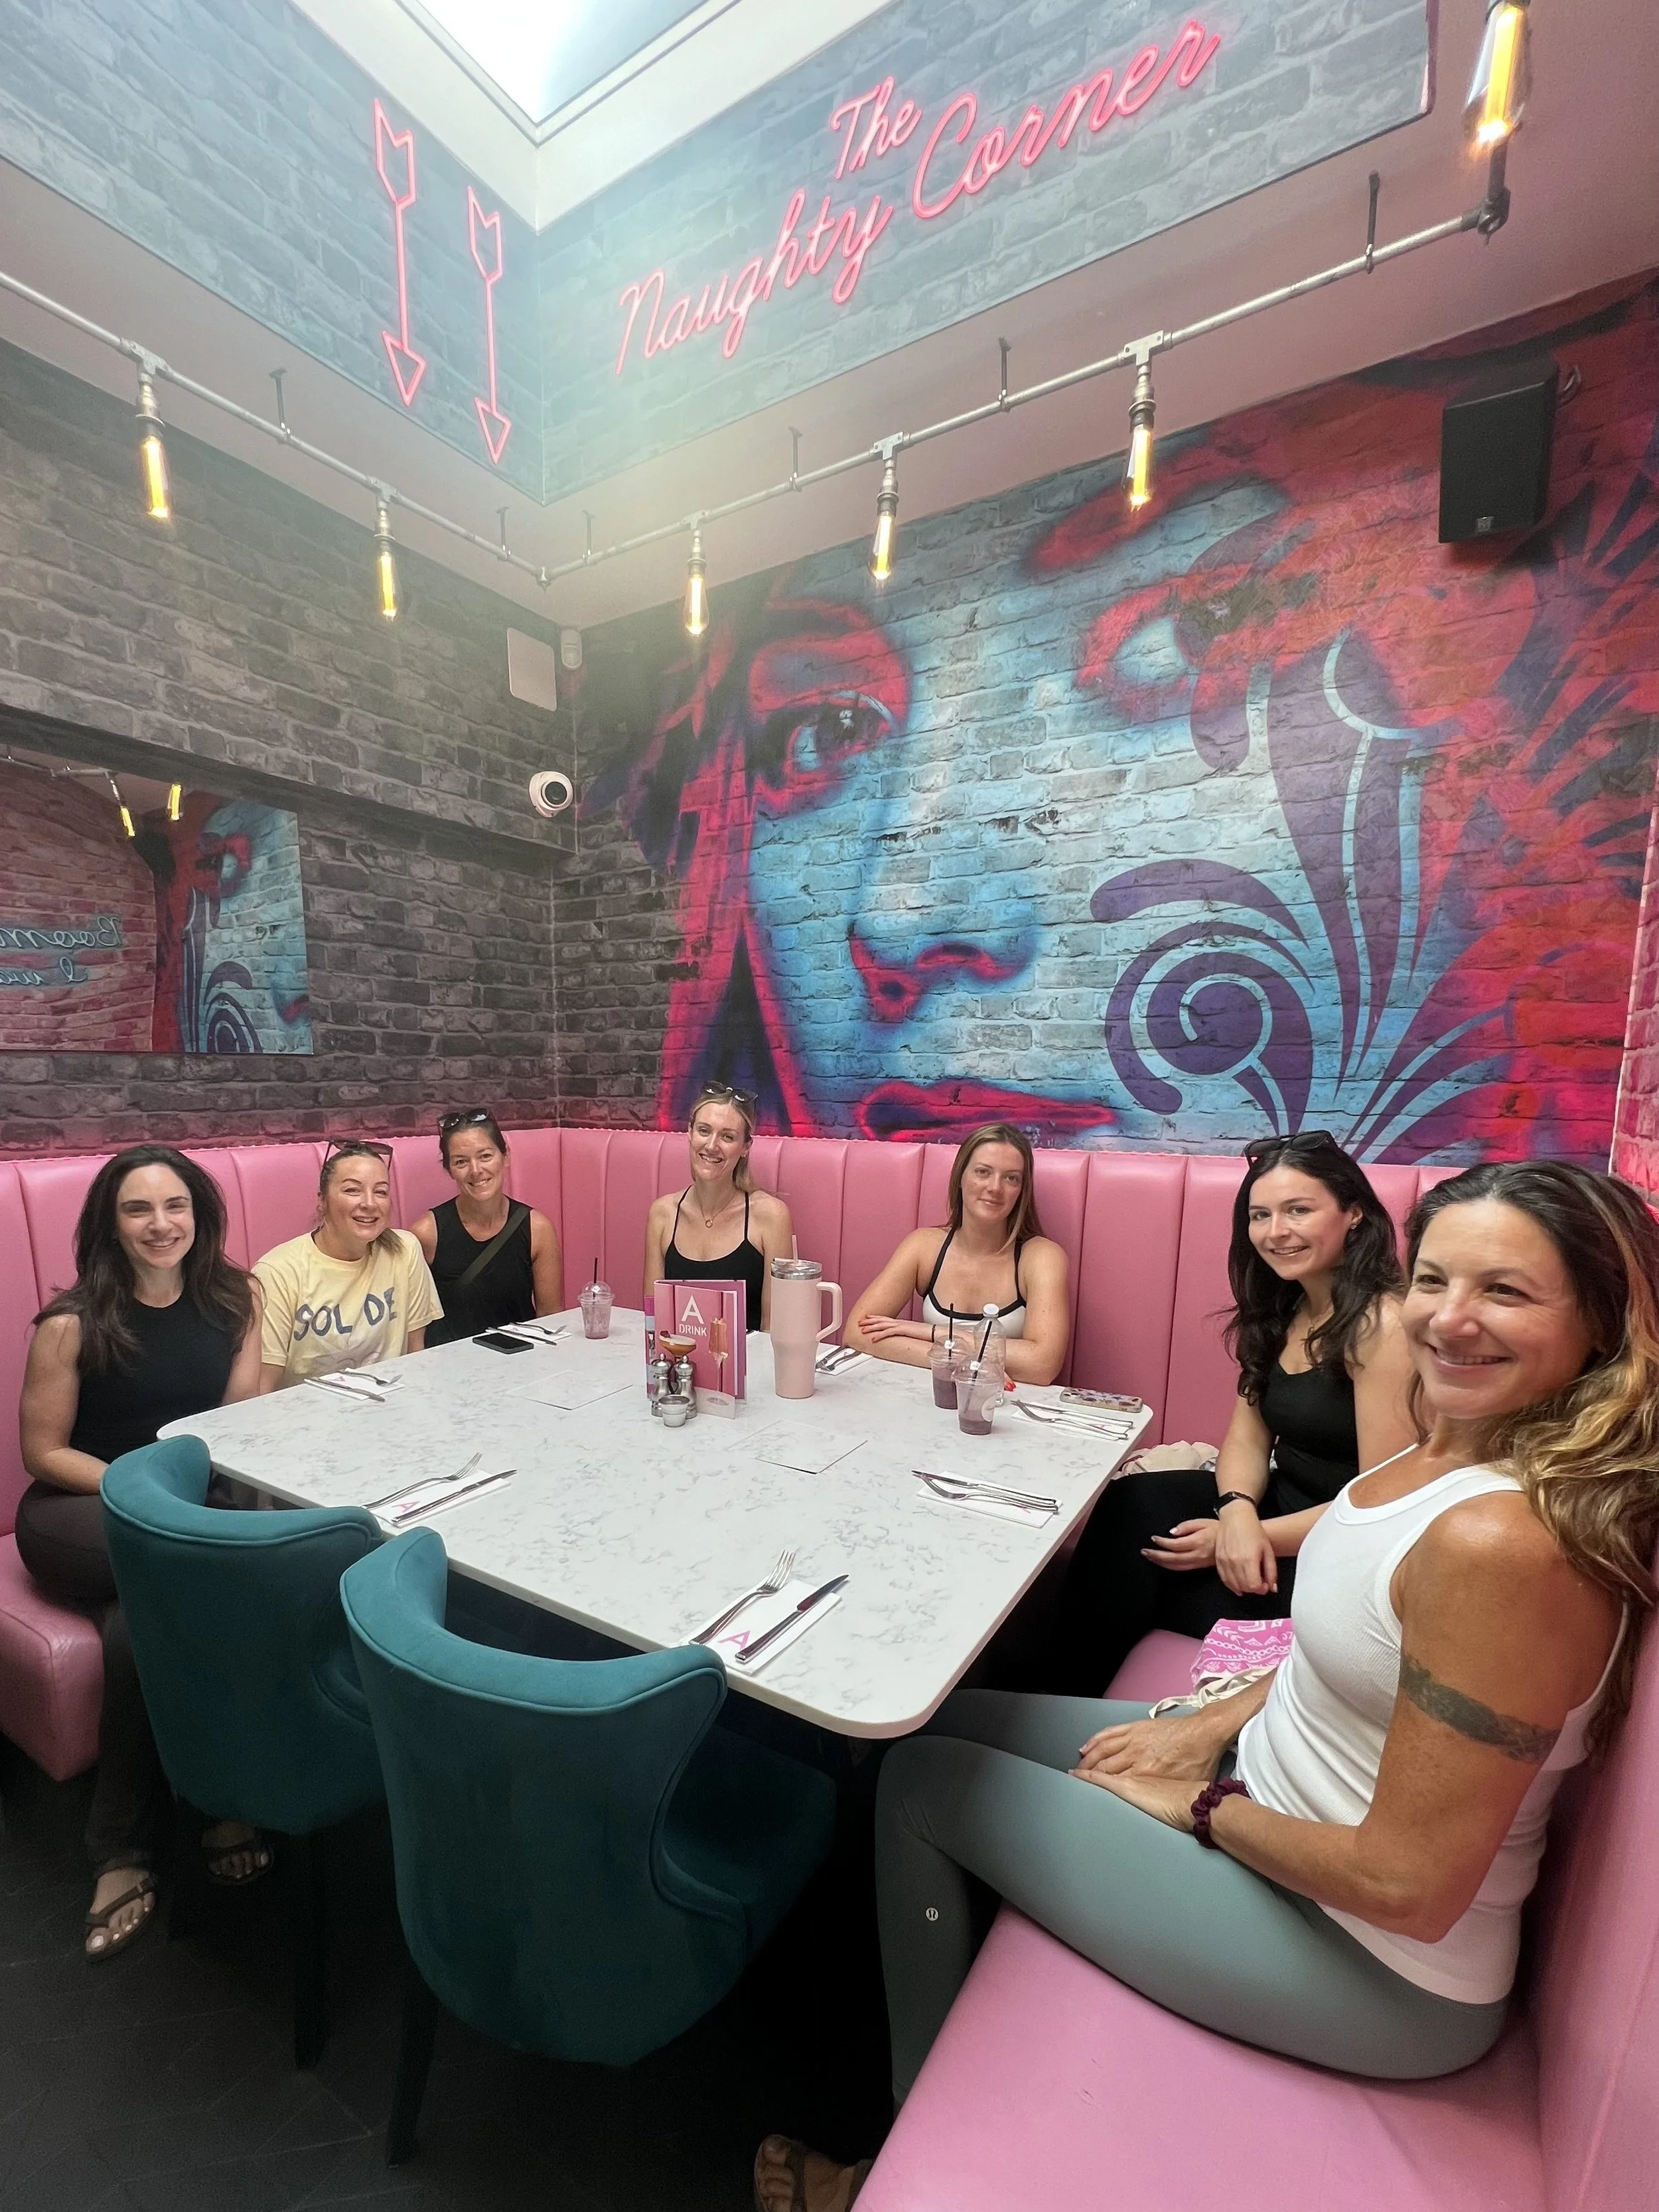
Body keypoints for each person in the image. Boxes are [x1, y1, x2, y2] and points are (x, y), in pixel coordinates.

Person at [756, 1161, 1657, 2211]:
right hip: (1271, 1782)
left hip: (1371, 1965)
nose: (1452, 1320)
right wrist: (1218, 1719)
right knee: (940, 1720)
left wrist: (1201, 1802)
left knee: (922, 1787)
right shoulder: (1447, 1444)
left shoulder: (1505, 1541)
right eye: (1437, 1280)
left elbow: (1409, 1889)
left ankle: (888, 2157)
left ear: (1599, 1319)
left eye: (1506, 1291)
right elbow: (1350, 1653)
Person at [16, 1145, 268, 1961]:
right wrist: (147, 1494)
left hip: (183, 1517)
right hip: (81, 1508)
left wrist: (190, 1503)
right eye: (138, 1209)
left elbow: (234, 1426)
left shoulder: (238, 1297)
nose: (161, 1225)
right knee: (189, 1577)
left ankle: (119, 1846)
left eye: (176, 1207)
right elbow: (43, 1452)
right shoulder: (72, 1321)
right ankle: (223, 1798)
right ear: (110, 1223)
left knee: (137, 1627)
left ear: (200, 1216)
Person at [1053, 1131, 1415, 1692]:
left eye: (1299, 1210)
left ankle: (1046, 1695)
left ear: (1355, 1214)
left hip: (1333, 1556)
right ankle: (1042, 1676)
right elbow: (1246, 1440)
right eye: (1260, 1214)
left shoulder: (1380, 1325)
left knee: (1132, 1578)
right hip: (1272, 1512)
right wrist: (1238, 1513)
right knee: (1133, 1503)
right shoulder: (1285, 1308)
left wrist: (1256, 1538)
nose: (1276, 1232)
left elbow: (1379, 1508)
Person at [843, 1124, 1069, 1386]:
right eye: (983, 1172)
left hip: (1008, 1407)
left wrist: (931, 1333)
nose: (996, 1188)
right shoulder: (924, 1246)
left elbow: (1042, 1365)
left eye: (1011, 1178)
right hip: (932, 1398)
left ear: (1022, 1191)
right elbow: (856, 1334)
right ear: (961, 1178)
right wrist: (956, 1359)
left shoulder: (1041, 1257)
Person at [256, 1139, 441, 1388]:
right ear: (322, 1201)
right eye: (352, 1190)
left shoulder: (405, 1250)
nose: (369, 1203)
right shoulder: (277, 1272)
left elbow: (415, 1353)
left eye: (381, 1191)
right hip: (307, 1416)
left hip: (391, 1407)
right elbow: (264, 1388)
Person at [642, 1084, 794, 1331]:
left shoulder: (771, 1216)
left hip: (750, 1367)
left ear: (746, 1147)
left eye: (728, 1137)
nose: (712, 1146)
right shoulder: (662, 1213)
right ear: (690, 1133)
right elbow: (655, 1322)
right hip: (679, 1365)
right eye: (704, 1130)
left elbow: (774, 1330)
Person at [409, 1110, 562, 1346]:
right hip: (450, 1371)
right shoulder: (426, 1233)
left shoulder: (537, 1228)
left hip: (523, 1363)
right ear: (449, 1170)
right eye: (461, 1162)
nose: (475, 1170)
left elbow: (550, 1319)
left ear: (505, 1157)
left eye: (485, 1156)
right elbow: (414, 1332)